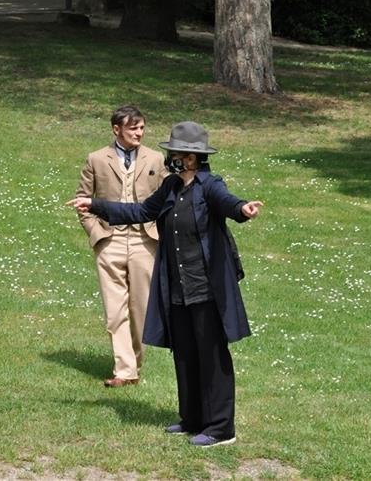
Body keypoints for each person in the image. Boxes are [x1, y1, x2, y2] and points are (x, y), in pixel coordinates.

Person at [68, 121, 263, 447]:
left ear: (193, 157)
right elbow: (142, 210)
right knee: (185, 353)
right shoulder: (171, 186)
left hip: (206, 287)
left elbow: (229, 202)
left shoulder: (209, 185)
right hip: (177, 285)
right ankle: (192, 419)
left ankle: (220, 428)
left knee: (211, 355)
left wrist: (243, 209)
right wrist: (96, 204)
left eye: (176, 152)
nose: (170, 155)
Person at [75, 105, 166, 387]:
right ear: (117, 129)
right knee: (115, 310)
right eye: (133, 128)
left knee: (140, 309)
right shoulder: (96, 159)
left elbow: (166, 200)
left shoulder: (156, 158)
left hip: (144, 241)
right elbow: (82, 200)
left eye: (141, 128)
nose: (139, 133)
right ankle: (124, 371)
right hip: (109, 240)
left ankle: (134, 362)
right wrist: (96, 233)